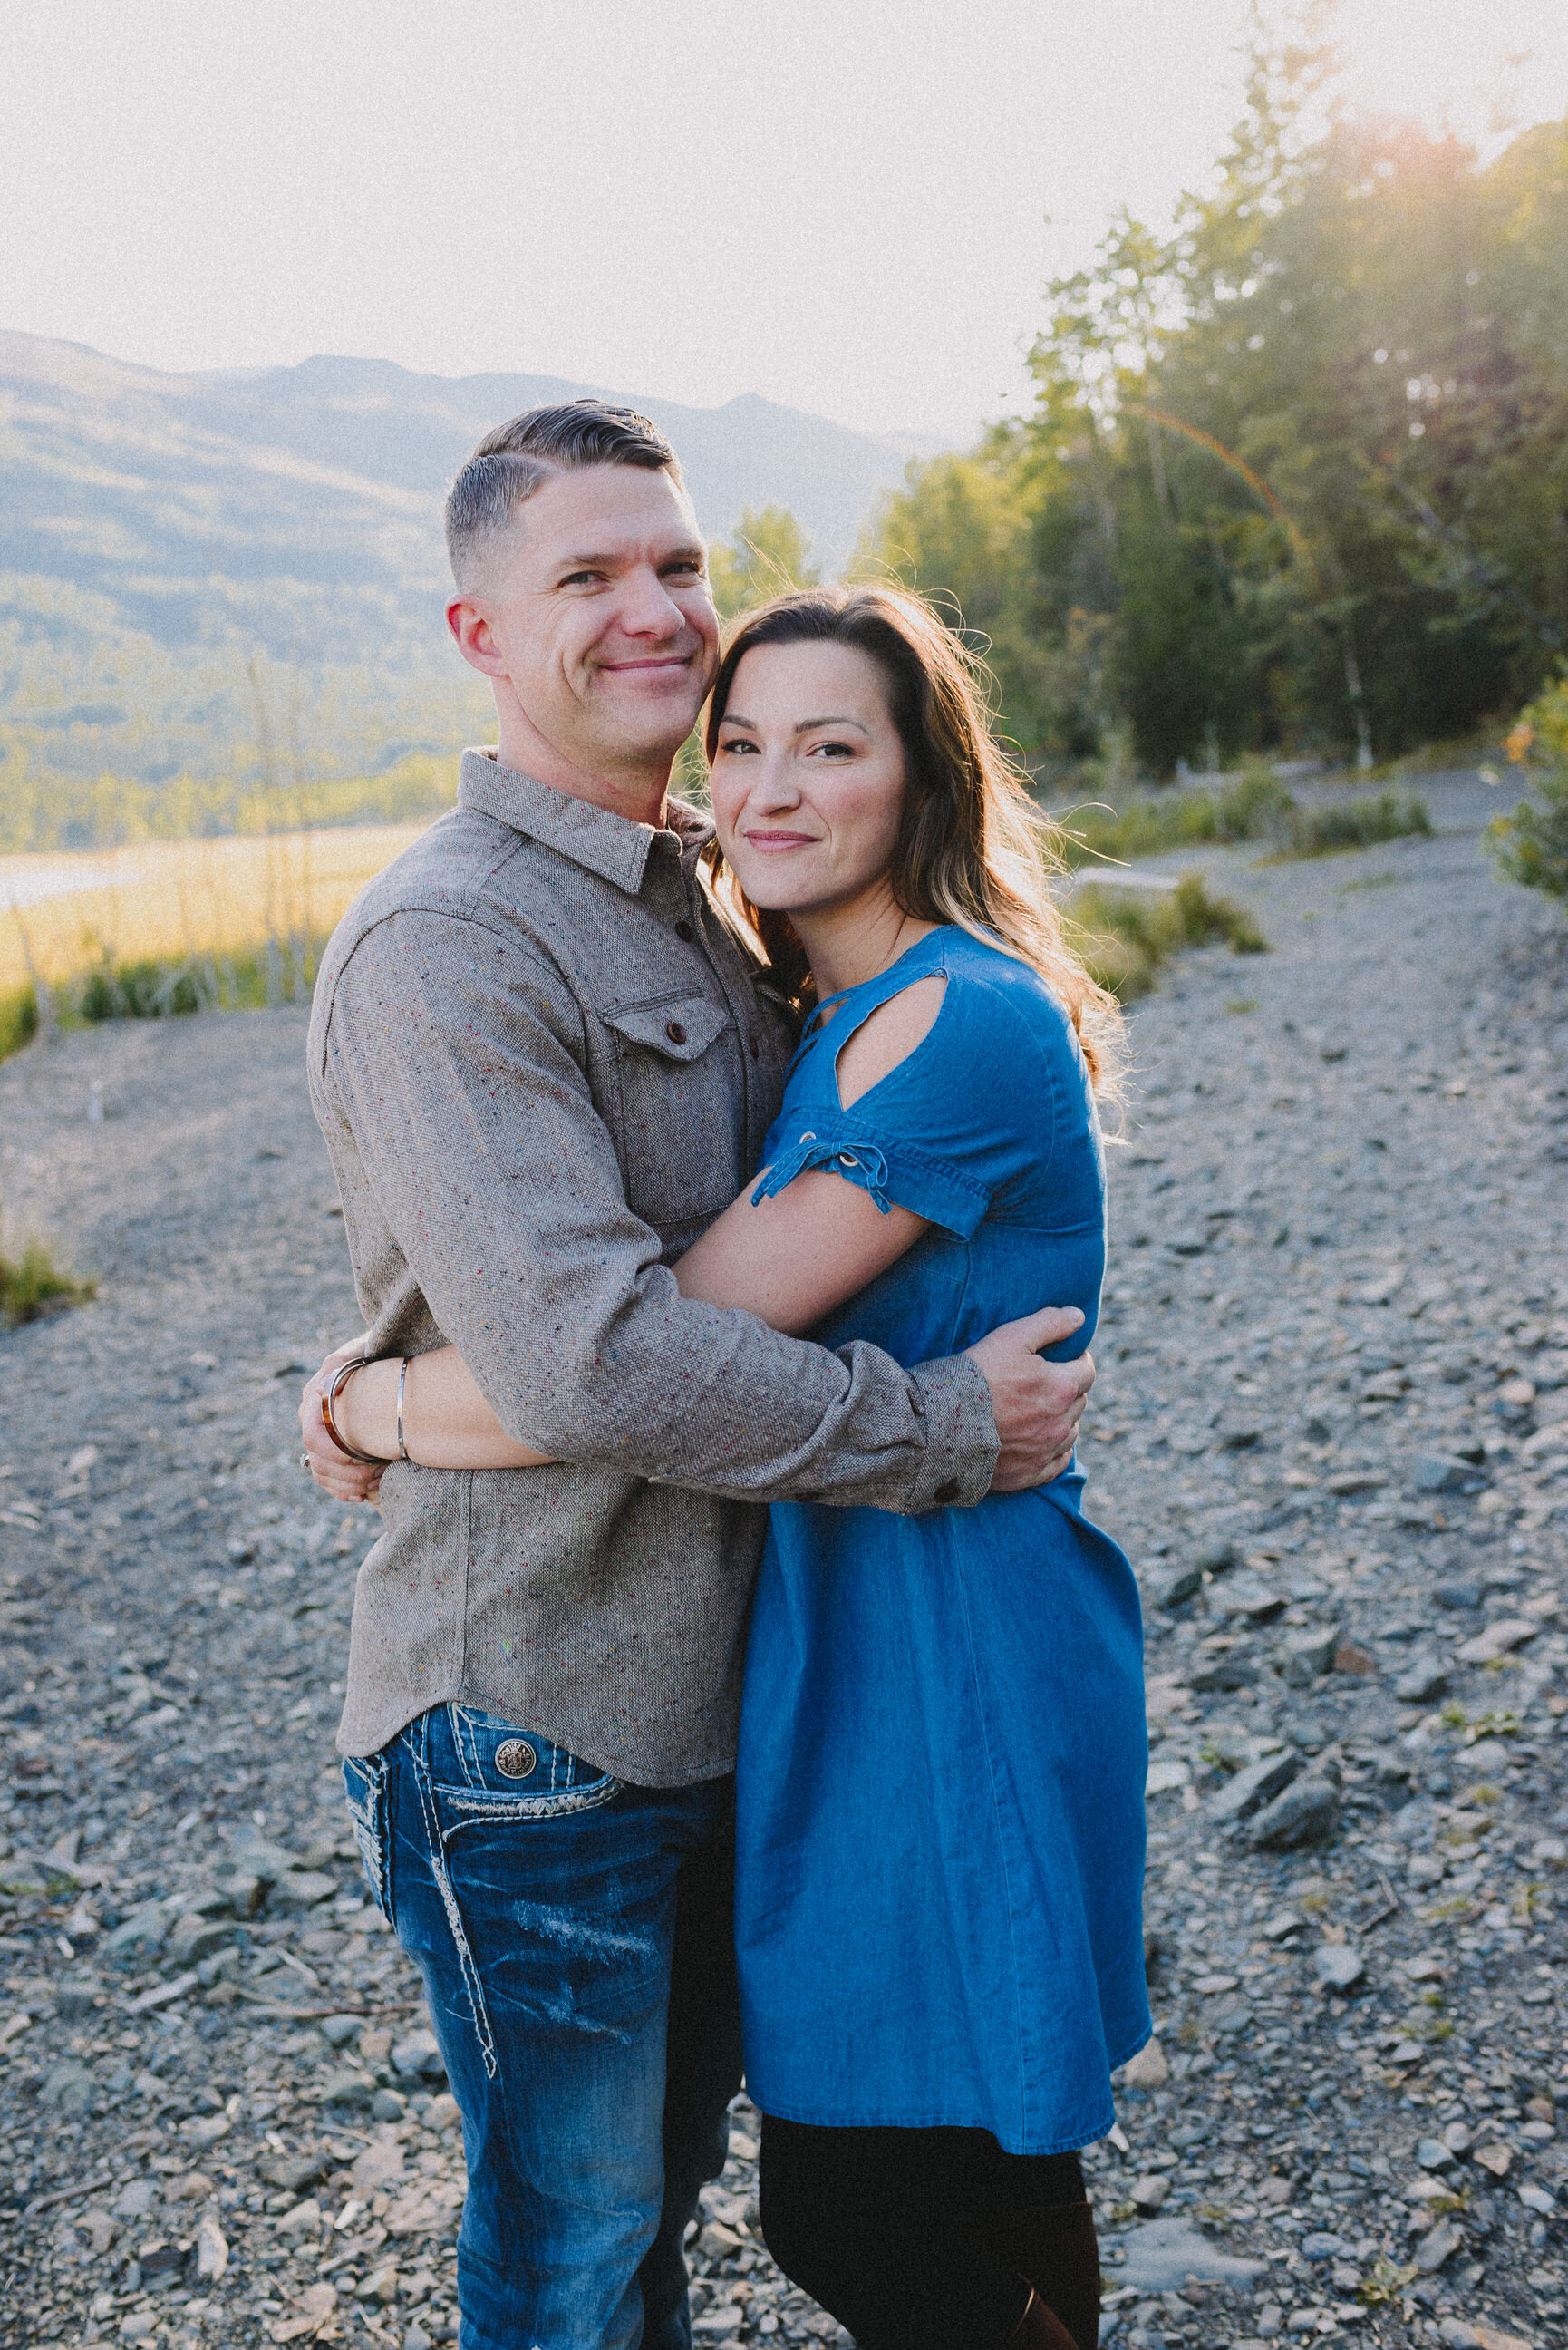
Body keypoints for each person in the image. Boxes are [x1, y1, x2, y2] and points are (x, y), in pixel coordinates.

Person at [297, 402, 1099, 2350]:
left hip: (750, 1683)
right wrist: (933, 1427)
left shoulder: (714, 902)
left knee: (800, 2195)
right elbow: (593, 1359)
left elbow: (635, 1320)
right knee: (577, 2259)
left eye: (673, 565)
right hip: (541, 1719)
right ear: (480, 635)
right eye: (586, 576)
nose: (653, 613)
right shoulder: (449, 941)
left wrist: (375, 1399)